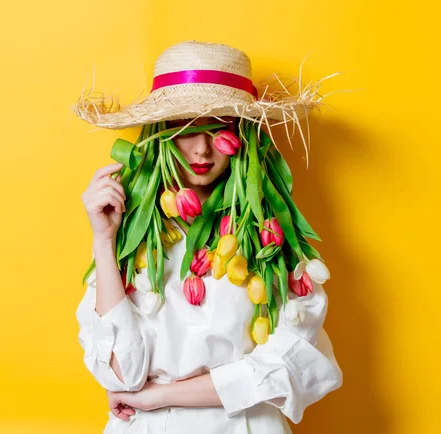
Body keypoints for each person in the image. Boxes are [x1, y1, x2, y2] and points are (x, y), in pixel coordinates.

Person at [73, 41, 343, 433]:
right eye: (185, 128)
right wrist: (103, 240)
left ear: (244, 138)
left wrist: (161, 395)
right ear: (161, 135)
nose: (201, 149)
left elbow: (290, 364)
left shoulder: (272, 241)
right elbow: (122, 375)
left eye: (219, 127)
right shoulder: (133, 238)